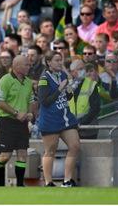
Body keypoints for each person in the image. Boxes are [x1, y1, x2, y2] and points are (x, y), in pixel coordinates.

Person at [0, 55, 34, 187]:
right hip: (7, 121)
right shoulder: (5, 80)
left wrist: (30, 113)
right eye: (26, 64)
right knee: (5, 156)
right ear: (17, 66)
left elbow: (30, 100)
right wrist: (15, 113)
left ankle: (20, 184)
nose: (28, 66)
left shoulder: (28, 82)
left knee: (22, 153)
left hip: (22, 123)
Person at [37, 51, 80, 187]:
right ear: (49, 62)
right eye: (56, 60)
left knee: (75, 146)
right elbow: (44, 101)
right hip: (50, 119)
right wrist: (59, 89)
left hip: (65, 117)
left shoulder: (62, 75)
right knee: (50, 151)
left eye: (60, 60)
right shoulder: (44, 78)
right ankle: (48, 181)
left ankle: (67, 180)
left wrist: (68, 91)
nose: (59, 62)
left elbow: (67, 97)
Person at [68, 59, 101, 139]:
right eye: (80, 69)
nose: (83, 71)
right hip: (70, 129)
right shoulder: (67, 85)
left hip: (88, 129)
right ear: (73, 72)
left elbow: (95, 108)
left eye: (83, 69)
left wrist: (81, 122)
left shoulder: (91, 84)